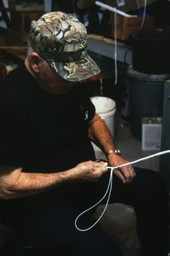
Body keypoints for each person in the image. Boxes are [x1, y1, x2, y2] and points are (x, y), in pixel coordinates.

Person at [0, 11, 169, 256]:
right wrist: (71, 175)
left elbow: (93, 119)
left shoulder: (64, 82)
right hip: (38, 203)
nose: (73, 82)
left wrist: (113, 153)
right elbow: (6, 185)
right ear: (36, 63)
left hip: (83, 177)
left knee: (152, 185)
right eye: (65, 75)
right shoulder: (10, 104)